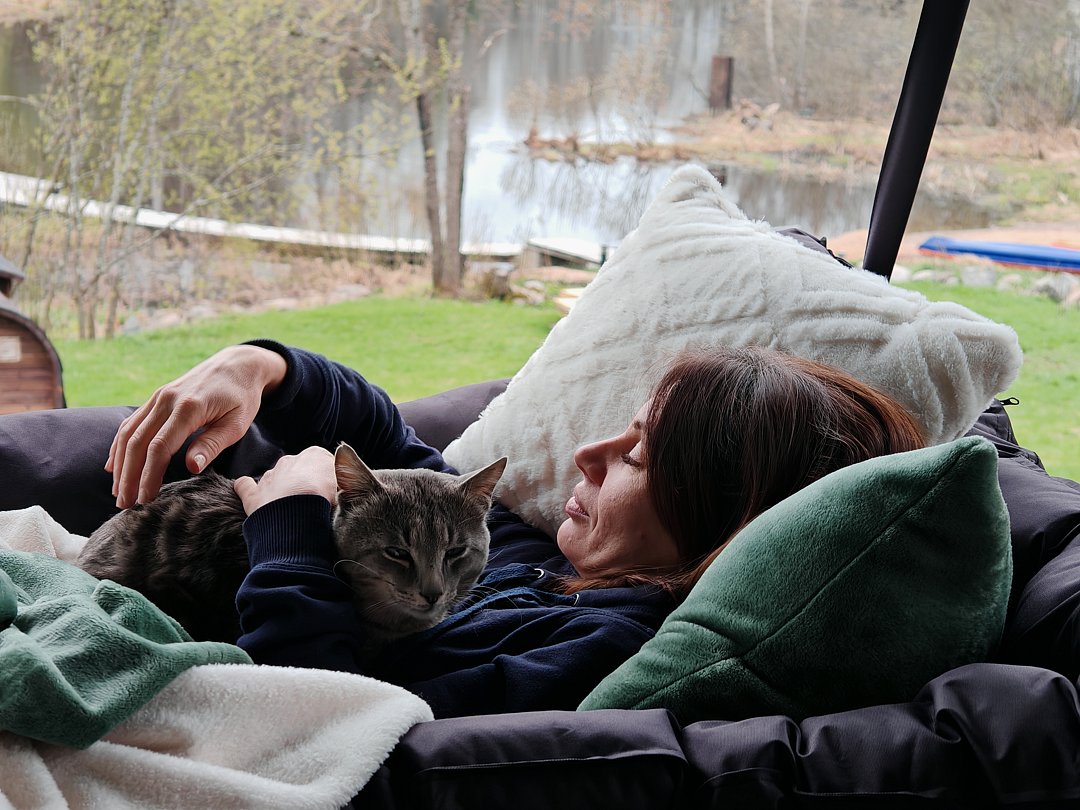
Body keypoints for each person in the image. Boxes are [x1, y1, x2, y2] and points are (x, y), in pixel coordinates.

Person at [105, 340, 925, 718]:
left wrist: (286, 527)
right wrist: (262, 367)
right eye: (621, 428)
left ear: (718, 517)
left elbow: (328, 720)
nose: (587, 455)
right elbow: (396, 450)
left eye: (637, 457)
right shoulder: (539, 551)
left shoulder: (595, 645)